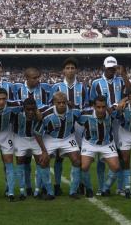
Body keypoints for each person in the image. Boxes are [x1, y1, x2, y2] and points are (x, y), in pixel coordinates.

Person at [90, 56, 131, 196]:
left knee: (120, 155)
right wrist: (106, 109)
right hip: (103, 121)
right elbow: (91, 102)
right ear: (103, 67)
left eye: (113, 68)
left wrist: (123, 99)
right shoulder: (96, 83)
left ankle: (119, 187)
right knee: (101, 156)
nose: (111, 71)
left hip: (118, 122)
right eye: (108, 68)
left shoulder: (120, 80)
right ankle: (102, 187)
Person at [49, 57, 88, 196]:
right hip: (61, 124)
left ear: (76, 70)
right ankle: (57, 185)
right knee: (59, 156)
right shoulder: (56, 87)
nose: (70, 70)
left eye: (72, 68)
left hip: (78, 124)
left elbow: (87, 106)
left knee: (78, 156)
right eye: (68, 68)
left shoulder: (82, 87)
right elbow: (50, 105)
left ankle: (78, 185)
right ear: (63, 70)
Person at [34, 92, 82, 199]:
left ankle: (73, 191)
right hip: (51, 138)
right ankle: (49, 192)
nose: (61, 105)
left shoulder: (74, 112)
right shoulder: (47, 115)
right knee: (43, 161)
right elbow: (37, 132)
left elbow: (84, 118)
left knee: (77, 160)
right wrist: (44, 151)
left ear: (67, 102)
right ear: (54, 103)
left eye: (63, 102)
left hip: (67, 137)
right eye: (59, 102)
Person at [14, 67, 50, 197]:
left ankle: (40, 189)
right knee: (25, 162)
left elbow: (50, 105)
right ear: (26, 78)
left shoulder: (45, 88)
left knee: (41, 161)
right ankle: (26, 188)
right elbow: (14, 104)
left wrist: (39, 111)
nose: (37, 80)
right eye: (34, 78)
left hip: (37, 133)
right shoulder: (16, 88)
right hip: (21, 134)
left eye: (38, 77)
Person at [77, 95, 120, 198]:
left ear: (106, 107)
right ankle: (89, 188)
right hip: (89, 143)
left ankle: (106, 188)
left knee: (116, 167)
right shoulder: (84, 115)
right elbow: (76, 122)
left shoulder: (111, 112)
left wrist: (120, 104)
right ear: (94, 107)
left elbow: (119, 105)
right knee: (84, 166)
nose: (101, 110)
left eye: (103, 107)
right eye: (98, 107)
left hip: (107, 143)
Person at [12, 98, 52, 200]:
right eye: (28, 109)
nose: (30, 112)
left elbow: (51, 107)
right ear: (23, 108)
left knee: (41, 161)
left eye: (33, 109)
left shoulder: (40, 111)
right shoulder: (17, 113)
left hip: (35, 139)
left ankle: (37, 190)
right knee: (20, 161)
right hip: (20, 138)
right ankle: (22, 190)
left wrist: (39, 112)